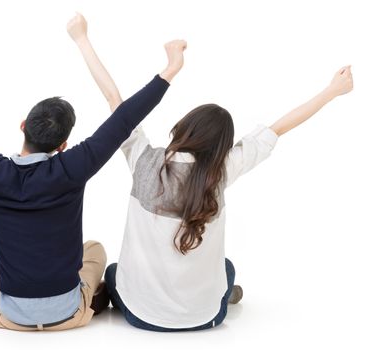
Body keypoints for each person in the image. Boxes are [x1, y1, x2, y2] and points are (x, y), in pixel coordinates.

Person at [67, 13, 354, 332]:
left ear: (182, 129)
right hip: (206, 318)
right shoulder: (222, 170)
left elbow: (114, 100)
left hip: (140, 316)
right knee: (226, 268)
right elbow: (280, 127)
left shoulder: (143, 160)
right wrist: (332, 91)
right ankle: (215, 296)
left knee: (114, 273)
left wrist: (82, 39)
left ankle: (148, 295)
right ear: (221, 149)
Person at [0, 32, 185, 331]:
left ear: (22, 126)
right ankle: (89, 299)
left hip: (11, 317)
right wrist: (169, 70)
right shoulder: (72, 167)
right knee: (94, 250)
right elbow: (124, 121)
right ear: (63, 145)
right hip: (68, 314)